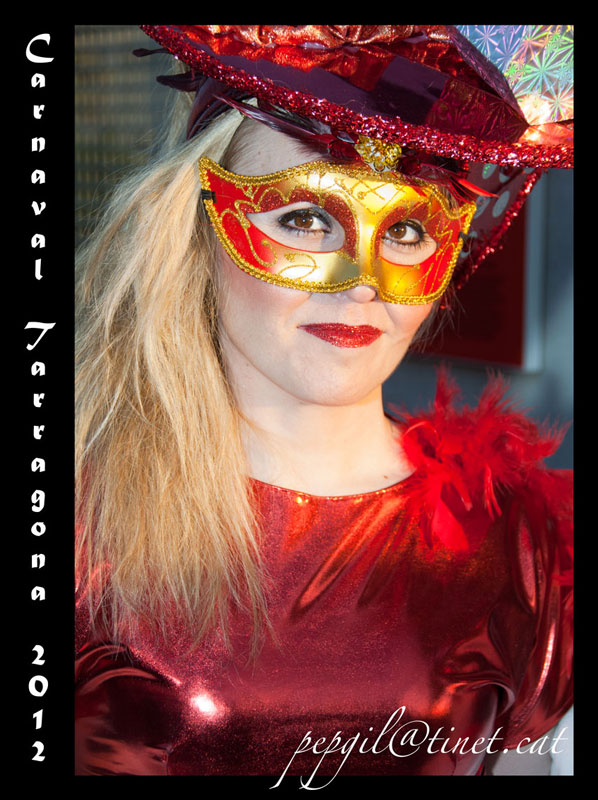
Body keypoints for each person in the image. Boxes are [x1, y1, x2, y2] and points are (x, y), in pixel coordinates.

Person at [75, 25, 573, 778]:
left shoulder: (524, 543)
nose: (362, 282)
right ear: (198, 229)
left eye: (407, 229)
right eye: (304, 219)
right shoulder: (84, 520)